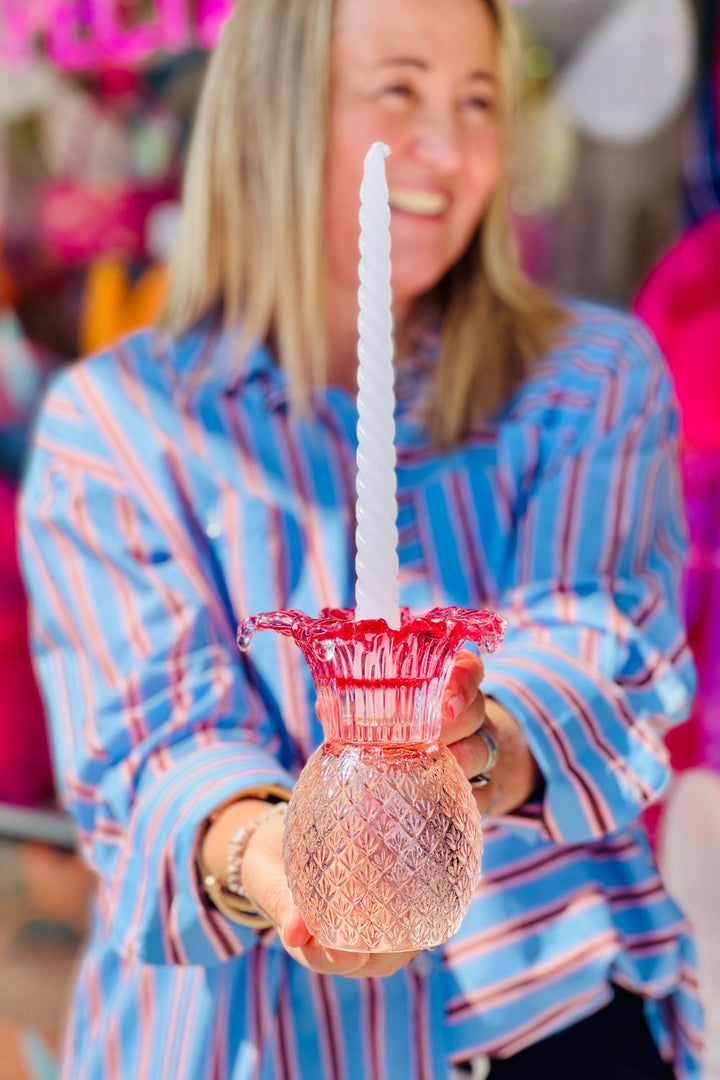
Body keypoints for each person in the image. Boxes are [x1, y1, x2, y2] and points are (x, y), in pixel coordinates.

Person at [19, 0, 702, 1076]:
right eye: (398, 92)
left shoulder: (591, 376)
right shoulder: (116, 422)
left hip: (550, 1025)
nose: (450, 148)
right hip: (257, 1045)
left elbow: (597, 631)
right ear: (267, 116)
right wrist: (271, 853)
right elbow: (150, 744)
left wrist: (478, 742)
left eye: (479, 100)